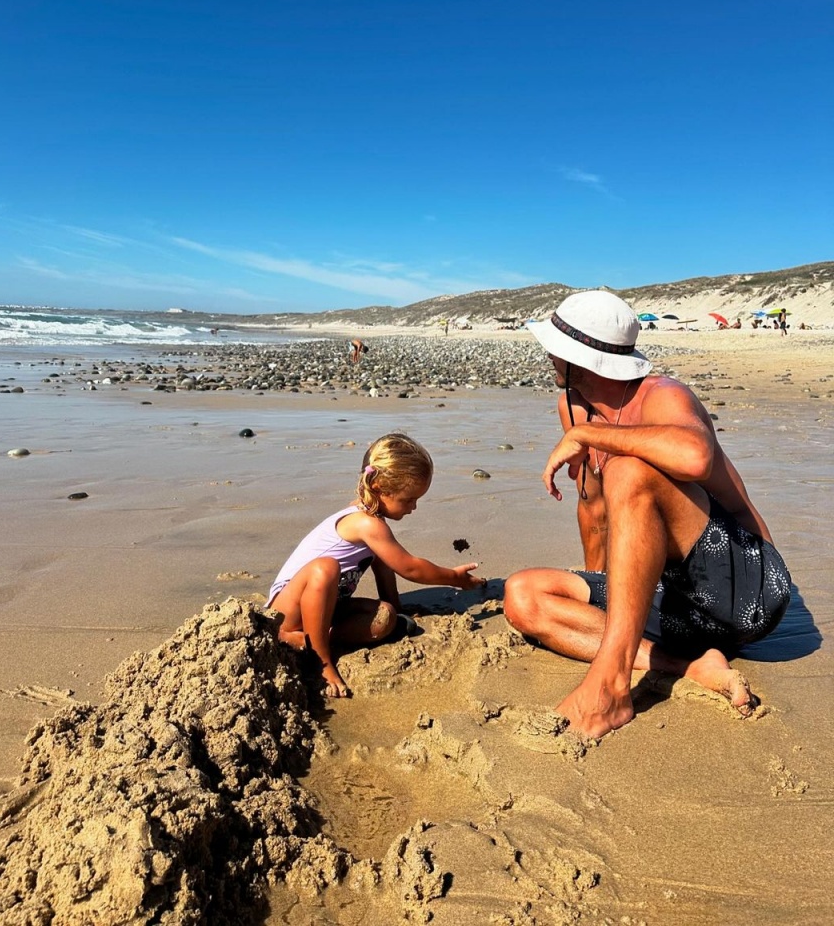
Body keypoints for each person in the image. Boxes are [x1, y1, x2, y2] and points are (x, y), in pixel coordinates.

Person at [503, 291, 791, 739]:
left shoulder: (662, 395)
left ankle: (611, 685)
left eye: (553, 349)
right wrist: (598, 591)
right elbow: (593, 506)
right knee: (524, 595)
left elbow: (696, 457)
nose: (547, 357)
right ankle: (689, 666)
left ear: (578, 360)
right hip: (675, 601)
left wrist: (590, 434)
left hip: (746, 591)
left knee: (629, 471)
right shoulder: (574, 404)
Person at [266, 432, 486, 697]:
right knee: (325, 568)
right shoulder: (364, 522)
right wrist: (453, 577)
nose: (414, 507)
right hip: (287, 608)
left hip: (327, 606)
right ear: (380, 488)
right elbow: (410, 568)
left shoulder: (374, 520)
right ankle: (317, 655)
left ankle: (309, 636)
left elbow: (383, 563)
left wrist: (395, 604)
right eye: (408, 499)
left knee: (386, 618)